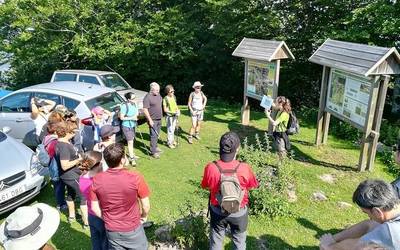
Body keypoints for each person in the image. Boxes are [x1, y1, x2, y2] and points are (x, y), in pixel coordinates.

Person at [201, 132, 258, 250]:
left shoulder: (211, 167)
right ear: (237, 149)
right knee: (239, 242)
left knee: (216, 241)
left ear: (220, 147)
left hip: (217, 210)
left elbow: (205, 186)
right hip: (239, 211)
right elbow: (252, 185)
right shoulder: (244, 168)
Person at [90, 143, 151, 249]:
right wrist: (144, 216)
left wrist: (108, 219)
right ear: (123, 160)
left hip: (112, 231)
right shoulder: (135, 177)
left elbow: (95, 208)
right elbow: (145, 205)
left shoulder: (96, 180)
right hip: (133, 229)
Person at [319, 179, 400, 250]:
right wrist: (333, 240)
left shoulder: (390, 230)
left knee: (368, 246)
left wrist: (329, 246)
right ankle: (332, 239)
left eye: (367, 213)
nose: (369, 217)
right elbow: (368, 225)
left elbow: (358, 246)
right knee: (372, 224)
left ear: (377, 212)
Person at [54, 121, 87, 227]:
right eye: (73, 132)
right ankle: (86, 222)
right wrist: (79, 159)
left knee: (71, 194)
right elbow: (64, 165)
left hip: (68, 176)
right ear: (67, 132)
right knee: (84, 196)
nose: (75, 134)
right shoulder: (63, 146)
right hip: (71, 176)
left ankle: (71, 216)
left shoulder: (63, 142)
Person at [79, 151, 108, 250]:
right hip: (101, 215)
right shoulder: (97, 181)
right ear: (99, 164)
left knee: (95, 240)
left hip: (91, 214)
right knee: (105, 241)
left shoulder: (82, 177)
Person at [143, 82, 163, 158]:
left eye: (158, 90)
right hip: (152, 119)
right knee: (153, 135)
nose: (158, 92)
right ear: (152, 90)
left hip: (159, 118)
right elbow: (145, 109)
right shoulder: (147, 97)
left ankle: (155, 146)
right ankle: (153, 151)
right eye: (157, 90)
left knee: (157, 134)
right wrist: (150, 120)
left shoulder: (158, 95)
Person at [119, 92, 139, 165]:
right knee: (130, 142)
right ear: (128, 99)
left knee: (132, 140)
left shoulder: (134, 104)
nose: (135, 99)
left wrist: (136, 106)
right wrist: (132, 118)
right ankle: (132, 159)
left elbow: (136, 114)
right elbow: (121, 117)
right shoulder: (124, 106)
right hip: (126, 126)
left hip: (133, 125)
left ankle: (132, 154)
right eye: (133, 98)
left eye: (135, 98)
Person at [163, 84, 180, 148]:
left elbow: (175, 105)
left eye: (173, 91)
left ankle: (172, 141)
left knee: (173, 129)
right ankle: (169, 143)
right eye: (171, 92)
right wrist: (173, 112)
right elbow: (165, 110)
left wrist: (178, 111)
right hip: (169, 116)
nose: (173, 93)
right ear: (167, 92)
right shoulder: (165, 99)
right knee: (170, 129)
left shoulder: (174, 97)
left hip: (175, 115)